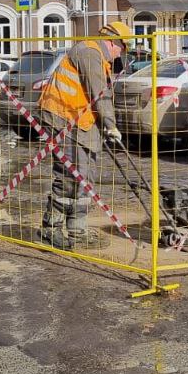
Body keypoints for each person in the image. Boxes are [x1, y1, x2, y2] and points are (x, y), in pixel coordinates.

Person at [37, 21, 132, 249]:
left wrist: (103, 127)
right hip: (63, 117)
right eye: (122, 48)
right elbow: (100, 93)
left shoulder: (96, 54)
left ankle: (76, 230)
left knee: (84, 176)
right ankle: (51, 228)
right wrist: (111, 124)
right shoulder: (90, 53)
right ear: (112, 43)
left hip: (79, 121)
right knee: (70, 175)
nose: (121, 53)